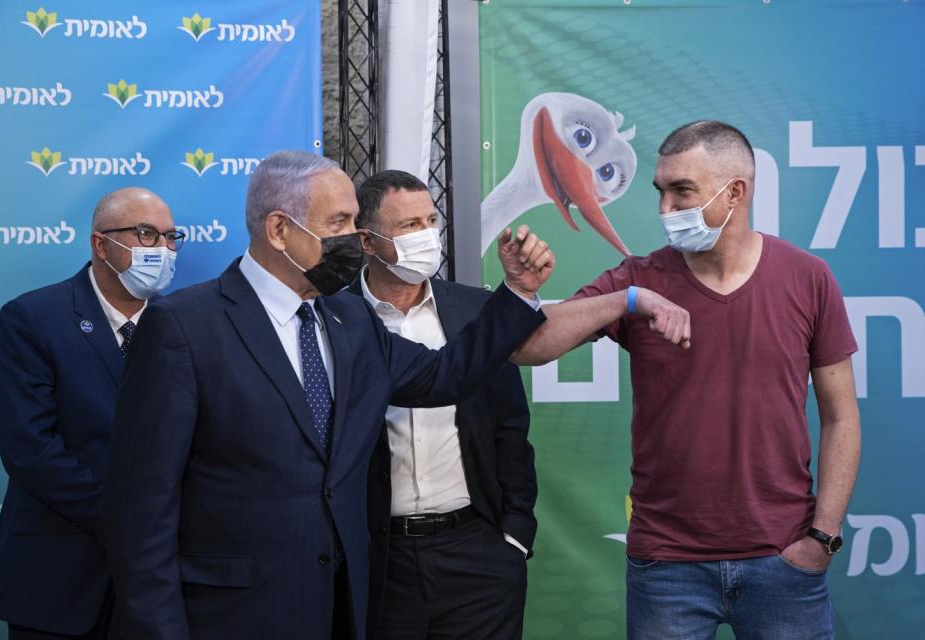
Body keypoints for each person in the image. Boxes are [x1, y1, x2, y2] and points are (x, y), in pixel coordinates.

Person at [102, 151, 554, 640]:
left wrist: (518, 293)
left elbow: (443, 375)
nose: (354, 239)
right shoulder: (184, 327)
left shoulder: (350, 319)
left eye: (356, 222)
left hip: (344, 608)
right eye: (338, 222)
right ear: (279, 230)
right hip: (235, 615)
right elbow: (143, 509)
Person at [513, 121, 861, 639]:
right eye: (661, 191)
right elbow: (527, 347)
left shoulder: (808, 278)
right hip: (667, 566)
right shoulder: (639, 278)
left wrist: (823, 538)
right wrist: (629, 300)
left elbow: (841, 416)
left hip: (783, 561)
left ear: (735, 191)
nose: (665, 210)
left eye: (682, 192)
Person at [0, 188, 181, 639]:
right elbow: (30, 449)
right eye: (146, 234)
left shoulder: (184, 323)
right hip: (56, 576)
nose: (163, 249)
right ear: (100, 243)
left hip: (159, 584)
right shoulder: (33, 318)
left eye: (171, 237)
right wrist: (128, 520)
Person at [349, 170, 537, 639]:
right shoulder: (336, 316)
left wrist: (514, 535)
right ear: (367, 242)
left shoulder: (477, 310)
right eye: (408, 226)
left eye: (430, 220)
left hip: (477, 552)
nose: (426, 235)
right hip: (379, 558)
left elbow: (510, 425)